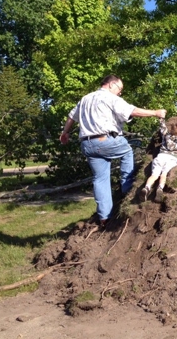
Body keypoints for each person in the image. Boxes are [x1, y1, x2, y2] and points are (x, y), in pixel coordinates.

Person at [60, 75, 166, 227]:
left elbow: (71, 117)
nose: (120, 93)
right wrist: (155, 112)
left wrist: (65, 133)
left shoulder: (85, 99)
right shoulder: (109, 97)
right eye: (120, 89)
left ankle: (105, 217)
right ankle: (128, 188)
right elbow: (132, 111)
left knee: (100, 178)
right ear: (111, 85)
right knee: (127, 152)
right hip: (105, 139)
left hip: (87, 144)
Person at [139, 117, 177, 203]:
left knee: (154, 175)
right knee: (164, 174)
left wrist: (161, 119)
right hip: (171, 159)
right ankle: (160, 188)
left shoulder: (166, 136)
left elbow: (162, 127)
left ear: (172, 131)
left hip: (160, 157)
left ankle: (147, 187)